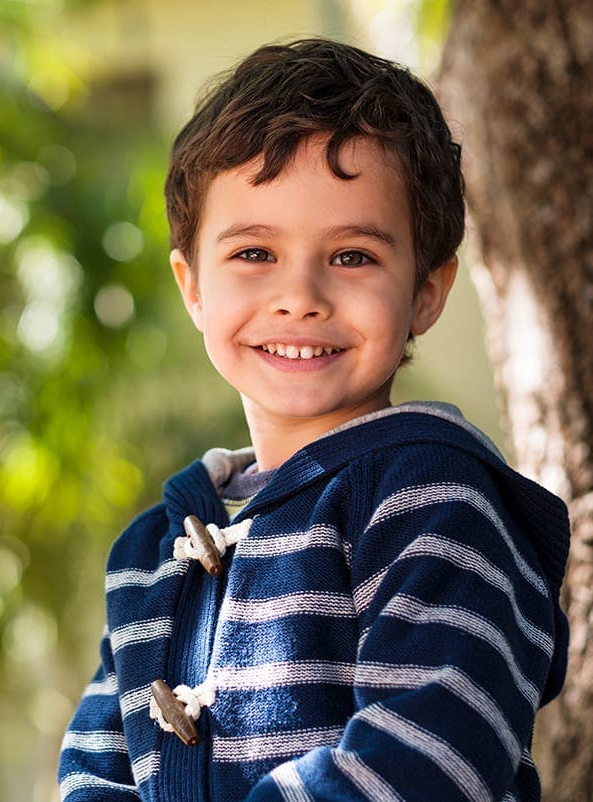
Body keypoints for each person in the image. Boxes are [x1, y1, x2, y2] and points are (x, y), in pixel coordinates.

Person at [57, 38, 569, 801]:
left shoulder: (435, 502)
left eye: (354, 256)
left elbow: (429, 755)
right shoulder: (148, 556)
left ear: (427, 290)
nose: (300, 296)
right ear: (191, 284)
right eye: (255, 253)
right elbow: (95, 771)